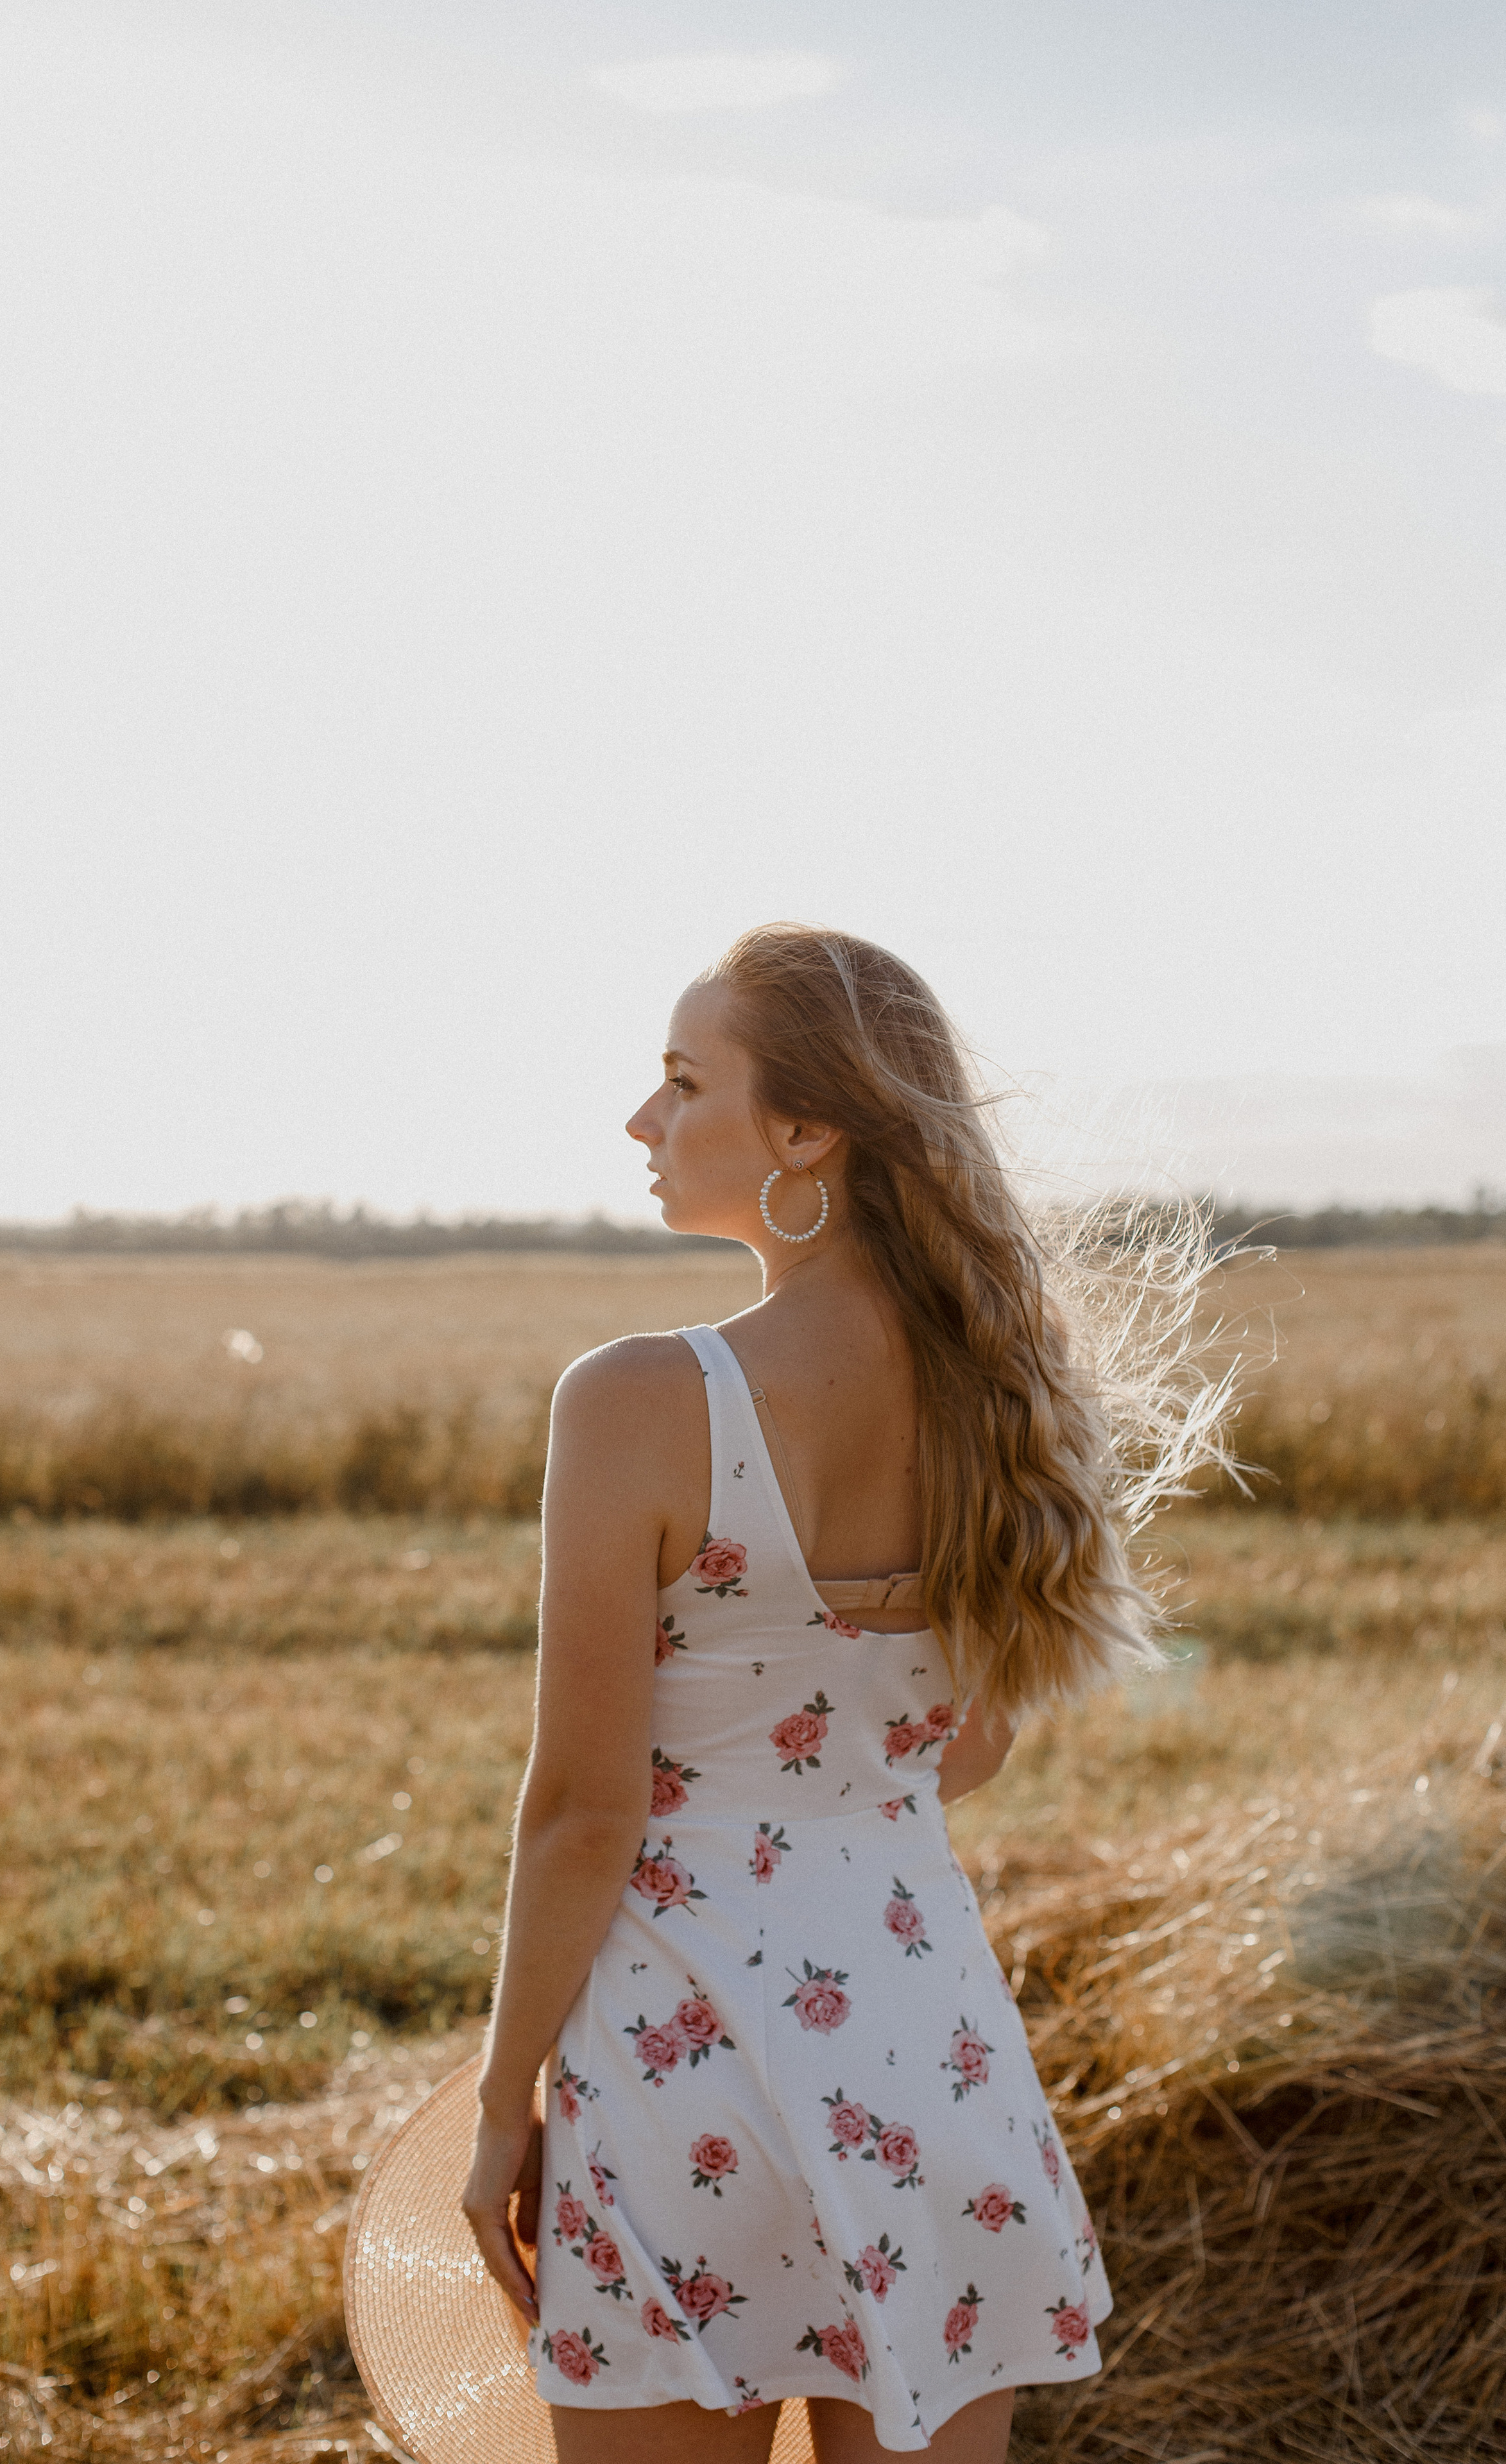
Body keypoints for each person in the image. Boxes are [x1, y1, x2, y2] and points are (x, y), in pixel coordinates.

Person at [463, 925, 1226, 2461]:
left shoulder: (635, 1400)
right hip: (931, 2051)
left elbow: (582, 1812)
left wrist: (498, 2113)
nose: (641, 1120)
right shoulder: (1000, 1390)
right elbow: (969, 1746)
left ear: (804, 1128)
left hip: (681, 2066)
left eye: (682, 1081)